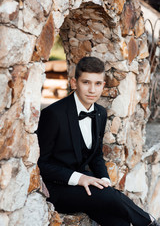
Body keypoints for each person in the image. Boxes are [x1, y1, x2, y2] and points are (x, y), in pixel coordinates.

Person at [37, 57, 159, 226]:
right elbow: (41, 164)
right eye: (86, 82)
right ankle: (149, 221)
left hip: (84, 188)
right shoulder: (54, 114)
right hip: (56, 189)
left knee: (119, 222)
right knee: (107, 195)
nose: (92, 90)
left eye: (98, 83)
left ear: (103, 85)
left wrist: (104, 179)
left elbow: (96, 156)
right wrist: (79, 178)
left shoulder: (100, 113)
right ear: (74, 83)